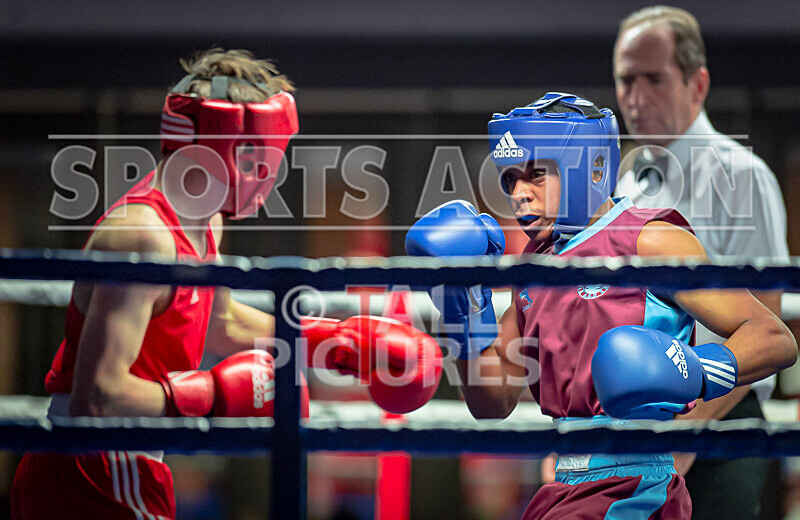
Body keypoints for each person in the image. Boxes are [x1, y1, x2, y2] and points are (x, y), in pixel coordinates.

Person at [10, 48, 442, 520]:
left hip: (129, 460)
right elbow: (98, 397)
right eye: (261, 159)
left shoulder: (204, 221)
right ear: (221, 151)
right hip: (90, 468)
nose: (271, 177)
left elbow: (221, 321)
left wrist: (329, 339)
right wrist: (214, 396)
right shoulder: (142, 237)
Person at [405, 92, 796, 519]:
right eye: (509, 179)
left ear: (591, 168)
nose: (519, 194)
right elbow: (491, 402)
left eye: (536, 175)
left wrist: (693, 371)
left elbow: (774, 337)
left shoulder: (650, 241)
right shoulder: (534, 270)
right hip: (563, 487)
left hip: (638, 487)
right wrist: (463, 306)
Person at [612, 6, 790, 518]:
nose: (637, 97)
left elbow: (768, 324)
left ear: (698, 84)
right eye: (626, 80)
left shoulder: (742, 177)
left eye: (654, 79)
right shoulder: (627, 187)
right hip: (641, 422)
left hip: (720, 418)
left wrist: (686, 433)